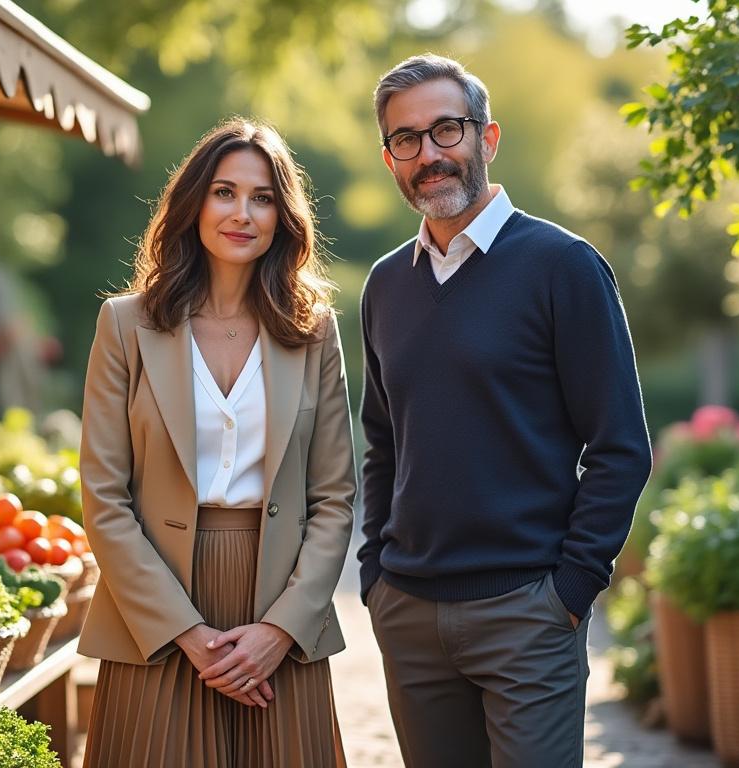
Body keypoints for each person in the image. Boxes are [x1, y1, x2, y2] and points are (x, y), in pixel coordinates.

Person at [358, 54, 653, 767]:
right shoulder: (384, 286)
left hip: (528, 613)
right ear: (391, 157)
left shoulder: (564, 267)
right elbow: (382, 442)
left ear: (487, 139)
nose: (429, 154)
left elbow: (620, 447)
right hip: (409, 611)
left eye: (447, 130)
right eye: (407, 139)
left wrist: (571, 591)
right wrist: (375, 576)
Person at [78, 117, 354, 767]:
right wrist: (185, 631)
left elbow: (335, 497)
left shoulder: (314, 331)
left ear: (283, 218)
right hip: (156, 610)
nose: (243, 213)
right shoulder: (126, 324)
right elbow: (103, 494)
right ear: (194, 202)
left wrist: (282, 629)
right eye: (225, 192)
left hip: (280, 610)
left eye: (262, 198)